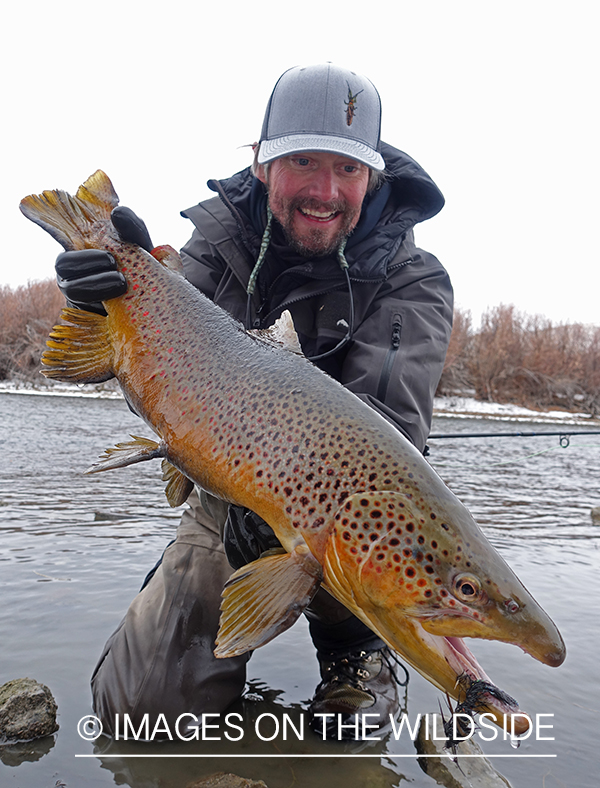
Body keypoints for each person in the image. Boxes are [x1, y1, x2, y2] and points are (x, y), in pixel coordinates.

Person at [56, 63, 453, 739]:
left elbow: (388, 431)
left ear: (373, 178)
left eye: (348, 170)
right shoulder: (214, 246)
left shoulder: (413, 279)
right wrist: (109, 306)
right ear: (263, 163)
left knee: (351, 740)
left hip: (356, 510)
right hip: (224, 493)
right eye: (303, 161)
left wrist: (283, 510)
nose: (326, 190)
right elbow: (167, 394)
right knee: (140, 723)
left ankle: (357, 653)